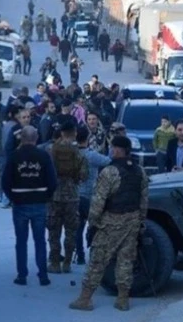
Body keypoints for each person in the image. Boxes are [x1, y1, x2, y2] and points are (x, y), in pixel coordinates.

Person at [69, 136, 149, 311]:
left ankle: (85, 298)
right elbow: (143, 201)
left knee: (98, 260)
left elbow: (98, 202)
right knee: (125, 261)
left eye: (113, 148)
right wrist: (140, 221)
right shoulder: (140, 171)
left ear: (118, 149)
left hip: (111, 222)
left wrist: (93, 223)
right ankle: (122, 299)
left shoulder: (109, 172)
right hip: (132, 221)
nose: (111, 151)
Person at [3, 126, 57, 286]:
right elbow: (53, 181)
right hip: (39, 203)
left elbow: (5, 182)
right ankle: (43, 275)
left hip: (20, 203)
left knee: (21, 240)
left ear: (21, 138)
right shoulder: (43, 156)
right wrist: (46, 196)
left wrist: (13, 197)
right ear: (36, 138)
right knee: (40, 240)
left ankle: (22, 275)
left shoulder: (14, 156)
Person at [47, 119, 88, 274]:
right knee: (71, 231)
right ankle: (68, 264)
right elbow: (83, 175)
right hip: (72, 195)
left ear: (61, 133)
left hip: (54, 195)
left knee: (54, 231)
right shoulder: (77, 152)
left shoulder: (51, 149)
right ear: (74, 133)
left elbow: (47, 172)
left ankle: (55, 263)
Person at [75, 126, 111, 265]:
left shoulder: (72, 154)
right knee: (95, 226)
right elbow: (109, 161)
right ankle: (95, 254)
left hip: (75, 195)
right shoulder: (92, 155)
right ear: (88, 138)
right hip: (90, 196)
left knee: (78, 229)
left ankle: (80, 256)